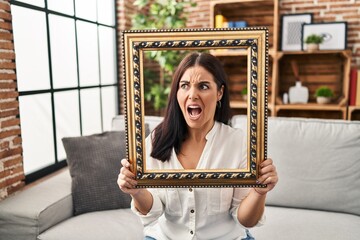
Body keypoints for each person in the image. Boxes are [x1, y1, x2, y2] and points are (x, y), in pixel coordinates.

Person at [118, 52, 278, 240]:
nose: (192, 94)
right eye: (184, 86)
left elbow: (246, 220)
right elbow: (153, 211)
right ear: (177, 93)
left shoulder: (239, 143)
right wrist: (136, 191)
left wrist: (259, 191)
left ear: (219, 93)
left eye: (203, 86)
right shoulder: (155, 142)